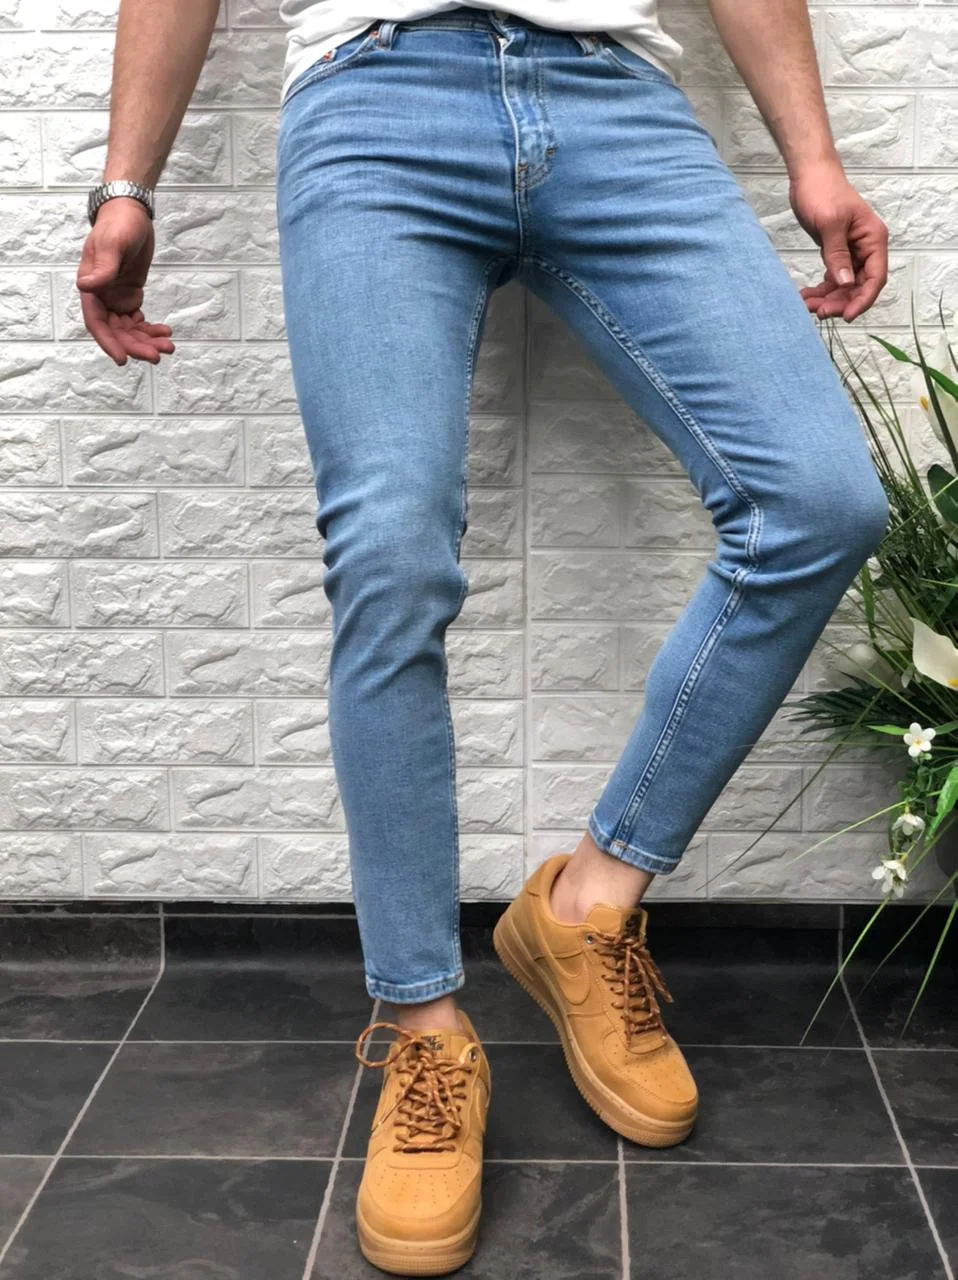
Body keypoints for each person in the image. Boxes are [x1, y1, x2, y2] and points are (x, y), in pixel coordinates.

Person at [76, 0, 890, 1272]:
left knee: (819, 502)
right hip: (375, 98)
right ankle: (423, 1029)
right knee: (391, 556)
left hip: (614, 101)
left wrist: (814, 156)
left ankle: (588, 902)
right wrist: (127, 184)